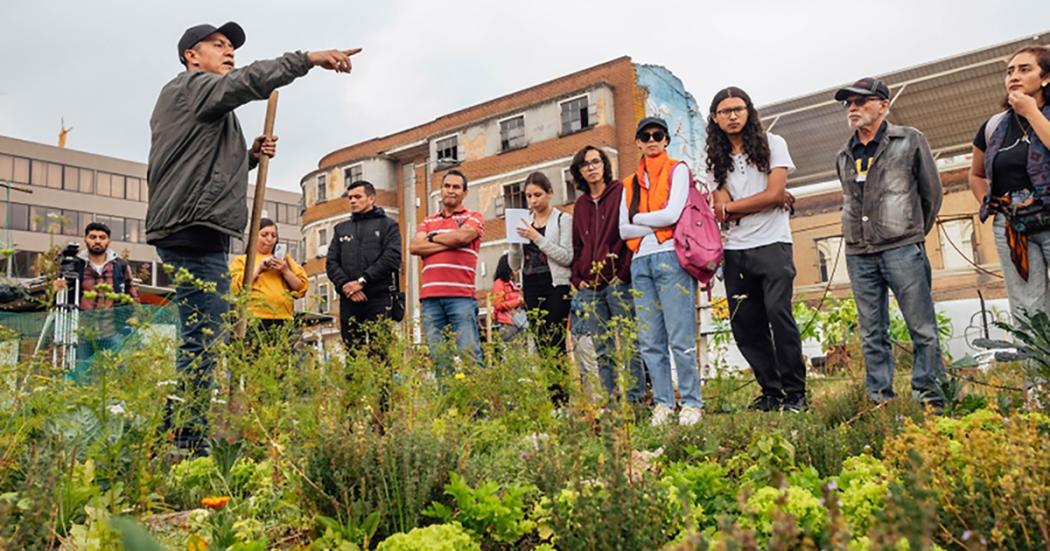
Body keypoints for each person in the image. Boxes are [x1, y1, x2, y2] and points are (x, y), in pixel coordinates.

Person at [146, 20, 358, 452]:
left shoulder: (201, 105)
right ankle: (188, 439)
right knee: (203, 336)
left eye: (231, 47)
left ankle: (184, 431)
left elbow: (204, 171)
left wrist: (248, 157)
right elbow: (248, 82)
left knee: (202, 333)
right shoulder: (193, 87)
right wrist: (308, 59)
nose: (229, 52)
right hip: (192, 231)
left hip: (196, 229)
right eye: (218, 45)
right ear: (192, 55)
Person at [833, 77, 945, 405]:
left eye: (861, 101)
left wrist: (909, 233)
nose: (853, 108)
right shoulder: (843, 154)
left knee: (921, 328)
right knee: (871, 333)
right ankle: (880, 400)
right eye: (849, 103)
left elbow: (931, 194)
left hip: (901, 248)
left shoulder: (909, 140)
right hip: (859, 252)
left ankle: (930, 399)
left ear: (883, 105)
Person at [707, 87, 807, 412]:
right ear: (715, 118)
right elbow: (720, 209)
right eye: (725, 111)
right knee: (746, 325)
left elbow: (775, 191)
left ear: (749, 111)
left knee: (779, 315)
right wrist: (766, 200)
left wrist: (742, 205)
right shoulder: (713, 159)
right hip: (735, 249)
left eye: (738, 109)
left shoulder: (773, 143)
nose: (733, 116)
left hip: (773, 244)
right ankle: (771, 392)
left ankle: (796, 394)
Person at [619, 117, 704, 426]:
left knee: (680, 337)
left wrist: (639, 218)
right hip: (640, 261)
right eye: (645, 136)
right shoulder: (628, 183)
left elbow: (673, 213)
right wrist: (651, 221)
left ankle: (692, 403)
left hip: (670, 255)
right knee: (650, 340)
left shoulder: (677, 169)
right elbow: (622, 228)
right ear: (638, 142)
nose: (652, 140)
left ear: (666, 139)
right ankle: (663, 403)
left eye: (658, 135)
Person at [970, 46, 1050, 322]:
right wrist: (988, 202)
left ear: (1046, 77)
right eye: (1010, 71)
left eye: (1025, 69)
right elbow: (976, 175)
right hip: (1012, 226)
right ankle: (1036, 365)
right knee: (1027, 305)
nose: (1014, 76)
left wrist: (1032, 113)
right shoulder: (993, 127)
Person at [568, 145, 645, 403]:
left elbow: (631, 234)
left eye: (595, 162)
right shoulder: (580, 205)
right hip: (589, 286)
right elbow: (577, 246)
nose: (591, 167)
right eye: (584, 164)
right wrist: (577, 279)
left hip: (618, 282)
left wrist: (622, 273)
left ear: (604, 164)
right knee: (602, 347)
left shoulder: (621, 192)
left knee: (629, 342)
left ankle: (635, 400)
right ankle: (611, 403)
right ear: (579, 172)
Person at [409, 169, 484, 372]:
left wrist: (432, 238)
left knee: (469, 356)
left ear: (465, 192)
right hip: (430, 300)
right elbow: (414, 247)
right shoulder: (428, 220)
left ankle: (477, 404)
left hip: (461, 298)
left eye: (456, 187)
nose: (451, 190)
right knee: (440, 359)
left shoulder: (474, 217)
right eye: (447, 186)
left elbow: (462, 237)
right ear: (441, 190)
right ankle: (448, 403)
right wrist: (450, 241)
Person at [55, 222, 139, 381]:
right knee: (81, 375)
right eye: (93, 237)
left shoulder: (119, 265)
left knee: (119, 372)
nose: (97, 241)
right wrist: (58, 287)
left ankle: (116, 404)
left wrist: (134, 315)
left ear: (109, 241)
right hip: (83, 333)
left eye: (102, 237)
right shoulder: (74, 264)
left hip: (112, 330)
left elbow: (131, 290)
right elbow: (60, 295)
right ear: (86, 240)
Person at [326, 180, 403, 354]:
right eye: (350, 197)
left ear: (371, 198)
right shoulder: (341, 229)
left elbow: (392, 258)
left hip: (378, 297)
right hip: (349, 300)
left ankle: (381, 382)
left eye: (357, 197)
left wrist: (362, 281)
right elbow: (331, 263)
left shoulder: (388, 225)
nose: (352, 201)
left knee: (380, 353)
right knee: (353, 352)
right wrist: (346, 286)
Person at [508, 172, 573, 353]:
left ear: (549, 193)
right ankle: (549, 382)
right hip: (531, 286)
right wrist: (514, 243)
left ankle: (560, 381)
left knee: (555, 342)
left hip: (555, 286)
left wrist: (537, 238)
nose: (533, 201)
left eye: (538, 195)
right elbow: (514, 265)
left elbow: (567, 257)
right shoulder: (524, 221)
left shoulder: (563, 219)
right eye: (529, 196)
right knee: (540, 343)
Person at [229, 218, 308, 340]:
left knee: (281, 357)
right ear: (254, 236)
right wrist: (259, 268)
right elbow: (236, 288)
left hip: (283, 318)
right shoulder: (242, 260)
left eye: (273, 235)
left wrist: (285, 270)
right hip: (254, 318)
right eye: (264, 235)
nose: (269, 239)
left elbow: (301, 288)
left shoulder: (286, 261)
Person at [491, 254, 526, 341]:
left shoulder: (512, 284)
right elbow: (498, 305)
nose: (517, 270)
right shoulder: (499, 283)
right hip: (507, 323)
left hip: (517, 321)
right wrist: (518, 301)